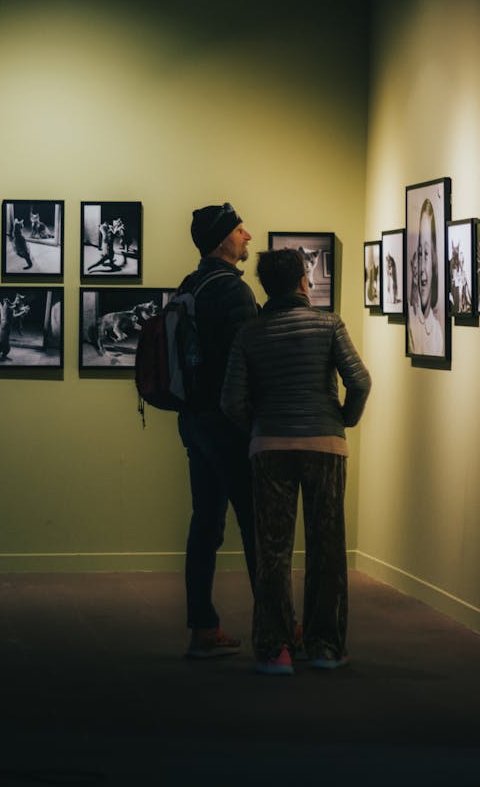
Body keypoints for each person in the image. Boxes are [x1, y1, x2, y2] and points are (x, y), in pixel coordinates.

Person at [221, 247, 371, 676]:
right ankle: (325, 646)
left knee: (273, 550)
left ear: (266, 286)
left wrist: (260, 426)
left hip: (269, 446)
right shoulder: (329, 324)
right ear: (304, 280)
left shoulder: (250, 333)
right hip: (324, 445)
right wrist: (342, 420)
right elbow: (359, 381)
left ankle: (276, 648)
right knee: (327, 548)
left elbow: (231, 400)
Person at [177, 202, 259, 659]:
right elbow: (246, 362)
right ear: (222, 240)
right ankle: (275, 623)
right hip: (228, 423)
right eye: (239, 229)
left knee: (205, 523)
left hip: (193, 420)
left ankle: (203, 626)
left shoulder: (191, 284)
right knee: (255, 523)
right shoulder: (230, 291)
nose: (247, 235)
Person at [407, 197, 443, 355]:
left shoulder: (437, 334)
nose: (421, 267)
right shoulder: (410, 318)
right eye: (419, 253)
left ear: (435, 262)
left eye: (426, 253)